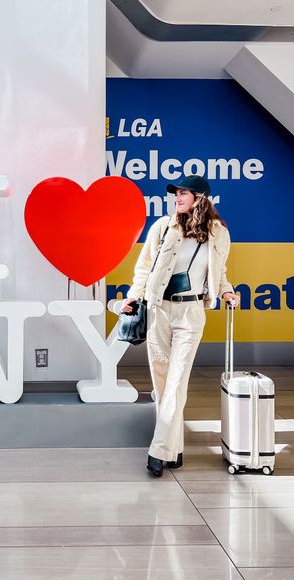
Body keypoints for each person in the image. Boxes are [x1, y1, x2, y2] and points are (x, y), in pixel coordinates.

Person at [121, 175, 240, 477]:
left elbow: (220, 271)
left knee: (176, 382)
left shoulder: (218, 233)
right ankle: (175, 449)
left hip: (190, 312)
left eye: (184, 193)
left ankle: (158, 451)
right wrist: (134, 297)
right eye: (176, 193)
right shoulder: (162, 227)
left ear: (200, 198)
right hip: (159, 308)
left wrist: (226, 291)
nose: (177, 197)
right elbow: (144, 267)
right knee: (162, 385)